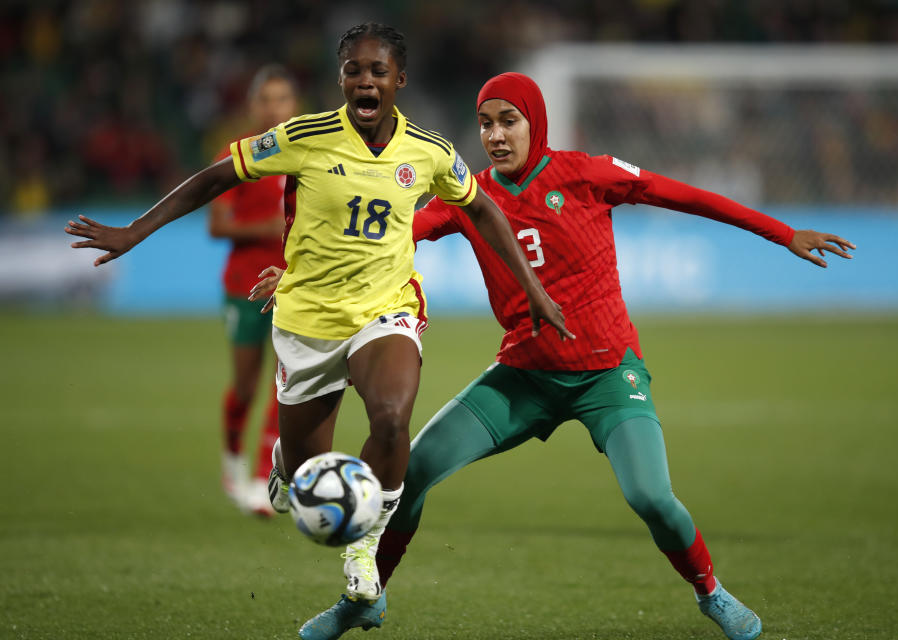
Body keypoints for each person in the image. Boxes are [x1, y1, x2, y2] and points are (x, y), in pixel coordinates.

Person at [250, 72, 855, 640]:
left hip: (608, 375)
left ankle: (709, 589)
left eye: (508, 120)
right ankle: (366, 598)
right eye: (485, 123)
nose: (495, 134)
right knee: (412, 472)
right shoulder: (470, 195)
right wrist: (300, 271)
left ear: (534, 124)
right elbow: (379, 233)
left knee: (651, 498)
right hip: (524, 376)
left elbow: (687, 197)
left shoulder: (585, 174)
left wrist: (783, 233)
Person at [66, 27, 571, 638]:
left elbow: (482, 209)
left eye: (378, 71)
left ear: (398, 82)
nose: (366, 80)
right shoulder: (304, 137)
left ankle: (362, 551)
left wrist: (534, 290)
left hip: (385, 309)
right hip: (306, 321)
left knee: (390, 416)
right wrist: (134, 232)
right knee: (309, 466)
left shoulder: (430, 151)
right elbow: (216, 177)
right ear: (341, 79)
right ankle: (286, 461)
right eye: (354, 70)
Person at [209, 64, 297, 516]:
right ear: (252, 105)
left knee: (287, 382)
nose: (274, 109)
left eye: (282, 100)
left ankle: (267, 477)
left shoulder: (306, 153)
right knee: (245, 386)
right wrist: (263, 227)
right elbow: (216, 223)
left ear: (294, 106)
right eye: (267, 100)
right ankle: (233, 460)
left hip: (292, 288)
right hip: (245, 286)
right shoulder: (239, 155)